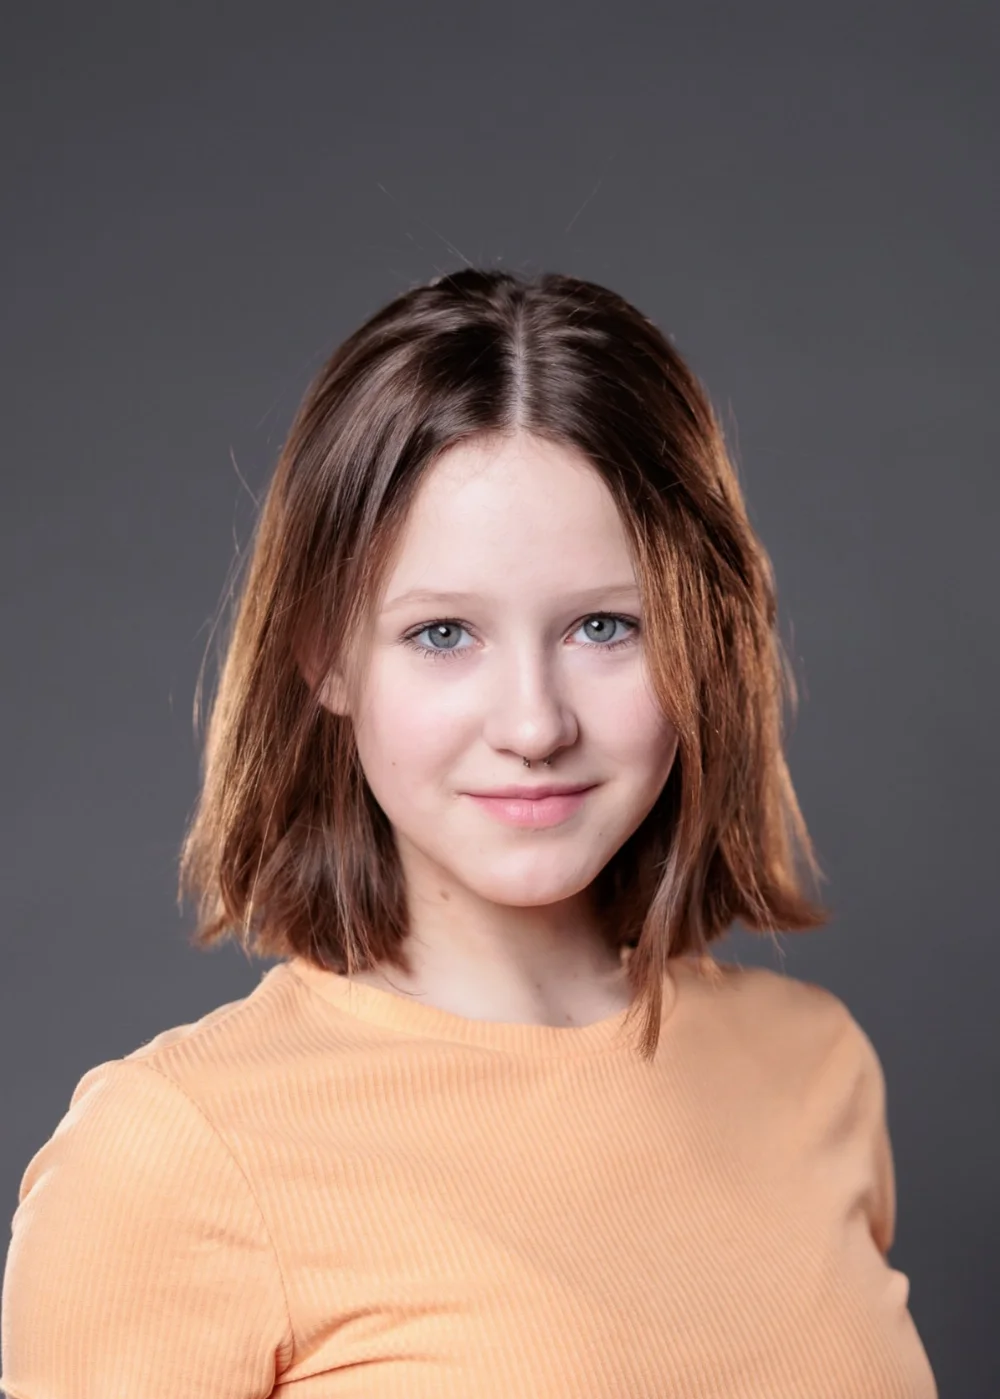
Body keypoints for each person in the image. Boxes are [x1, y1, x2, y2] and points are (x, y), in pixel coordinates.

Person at [0, 268, 938, 1397]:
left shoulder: (815, 1065)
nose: (534, 725)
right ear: (325, 654)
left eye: (606, 626)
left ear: (703, 636)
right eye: (443, 633)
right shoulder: (174, 1155)